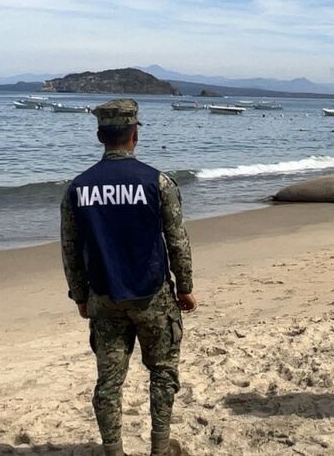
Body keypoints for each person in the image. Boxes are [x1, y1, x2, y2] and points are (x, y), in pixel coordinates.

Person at [61, 100, 196, 456]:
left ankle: (113, 450)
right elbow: (177, 239)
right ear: (134, 135)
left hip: (104, 297)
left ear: (99, 136)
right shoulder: (158, 182)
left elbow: (70, 249)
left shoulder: (78, 188)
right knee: (163, 372)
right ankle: (161, 446)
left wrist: (79, 296)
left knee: (109, 381)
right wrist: (186, 288)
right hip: (152, 295)